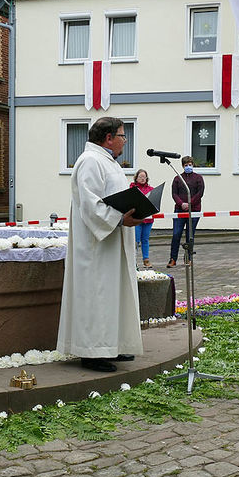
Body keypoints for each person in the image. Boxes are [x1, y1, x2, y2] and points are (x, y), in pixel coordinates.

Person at [56, 117, 143, 373]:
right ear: (108, 138)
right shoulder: (90, 161)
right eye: (122, 136)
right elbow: (90, 204)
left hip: (113, 242)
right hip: (96, 245)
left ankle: (111, 345)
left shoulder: (107, 161)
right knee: (97, 296)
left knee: (112, 295)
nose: (125, 141)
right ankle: (92, 352)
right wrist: (119, 219)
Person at [167, 155, 205, 268]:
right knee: (176, 234)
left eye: (190, 164)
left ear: (193, 165)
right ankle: (173, 259)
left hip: (194, 210)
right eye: (186, 165)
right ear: (183, 166)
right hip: (179, 210)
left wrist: (190, 203)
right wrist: (181, 204)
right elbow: (174, 193)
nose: (188, 166)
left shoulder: (198, 178)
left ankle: (189, 258)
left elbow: (200, 193)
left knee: (190, 235)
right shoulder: (178, 178)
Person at [130, 168, 154, 268]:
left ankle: (146, 259)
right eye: (140, 177)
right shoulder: (132, 188)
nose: (143, 179)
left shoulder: (151, 189)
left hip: (148, 219)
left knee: (145, 239)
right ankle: (133, 260)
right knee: (136, 240)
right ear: (136, 178)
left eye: (144, 177)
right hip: (137, 218)